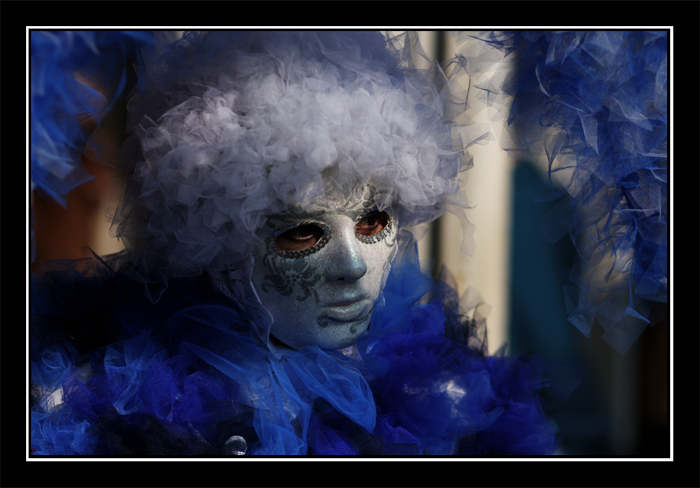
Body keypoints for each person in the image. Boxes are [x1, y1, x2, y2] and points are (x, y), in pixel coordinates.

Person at [30, 30, 665, 456]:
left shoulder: (439, 395)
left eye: (374, 222)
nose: (354, 266)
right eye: (302, 232)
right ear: (217, 247)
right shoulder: (120, 408)